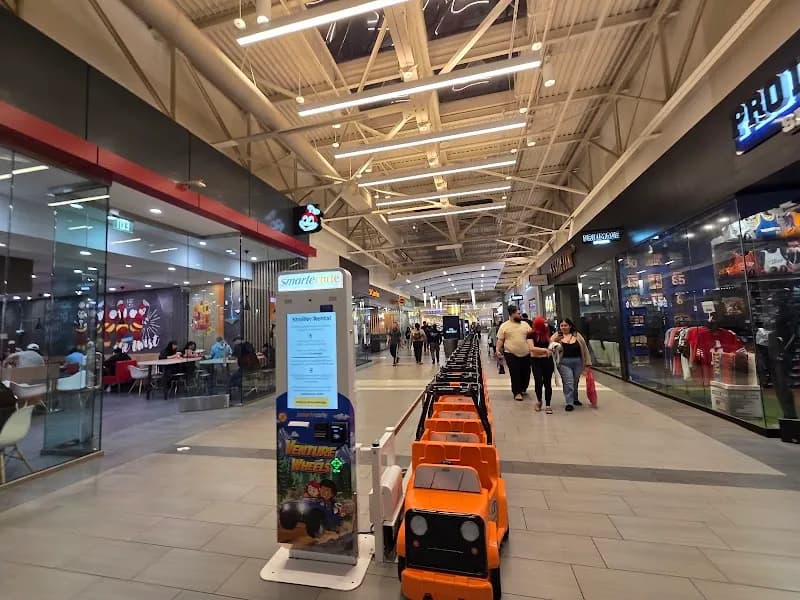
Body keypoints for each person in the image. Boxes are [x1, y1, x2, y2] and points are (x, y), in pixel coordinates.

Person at [551, 318, 592, 411]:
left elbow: (584, 348)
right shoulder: (557, 336)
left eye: (565, 325)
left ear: (570, 326)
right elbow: (550, 346)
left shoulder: (577, 335)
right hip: (564, 362)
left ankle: (575, 398)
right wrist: (555, 342)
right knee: (568, 382)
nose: (564, 327)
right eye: (562, 325)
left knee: (575, 381)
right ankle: (569, 402)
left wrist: (587, 363)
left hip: (578, 361)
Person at [495, 306, 533, 401]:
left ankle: (523, 388)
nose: (520, 315)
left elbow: (532, 336)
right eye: (518, 314)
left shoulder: (525, 325)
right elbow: (500, 340)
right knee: (515, 373)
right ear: (512, 314)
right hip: (511, 353)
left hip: (526, 353)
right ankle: (517, 392)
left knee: (526, 372)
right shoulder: (504, 326)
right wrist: (497, 349)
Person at [529, 317, 555, 414]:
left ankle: (548, 404)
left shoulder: (548, 333)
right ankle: (539, 401)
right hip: (536, 362)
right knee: (538, 382)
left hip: (547, 362)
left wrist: (551, 349)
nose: (546, 324)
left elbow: (552, 345)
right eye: (543, 323)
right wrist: (545, 350)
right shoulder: (531, 334)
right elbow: (532, 349)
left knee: (548, 383)